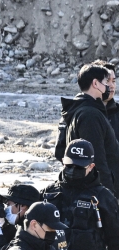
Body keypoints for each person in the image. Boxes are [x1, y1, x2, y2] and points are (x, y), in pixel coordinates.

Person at [58, 63, 119, 194]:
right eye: (105, 82)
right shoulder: (90, 115)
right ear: (96, 83)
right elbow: (97, 161)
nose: (109, 86)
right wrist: (108, 197)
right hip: (95, 193)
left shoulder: (84, 110)